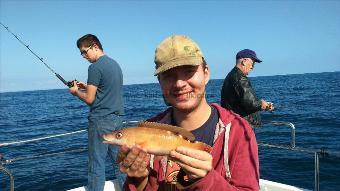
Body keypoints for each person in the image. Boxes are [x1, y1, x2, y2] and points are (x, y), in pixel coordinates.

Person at [114, 35, 259, 190]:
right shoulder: (148, 128)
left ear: (206, 73)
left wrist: (206, 180)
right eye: (168, 75)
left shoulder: (239, 132)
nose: (179, 83)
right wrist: (138, 178)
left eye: (189, 71)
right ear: (160, 82)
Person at [69, 34, 126, 191]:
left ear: (95, 46)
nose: (84, 56)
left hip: (100, 121)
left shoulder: (94, 67)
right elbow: (105, 89)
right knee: (120, 163)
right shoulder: (115, 65)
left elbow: (89, 99)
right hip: (118, 120)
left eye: (84, 52)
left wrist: (75, 92)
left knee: (96, 164)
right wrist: (86, 86)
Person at [220, 49, 274, 127]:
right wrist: (264, 104)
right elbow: (251, 104)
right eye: (252, 63)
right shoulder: (240, 78)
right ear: (244, 61)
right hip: (242, 126)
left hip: (233, 124)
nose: (252, 67)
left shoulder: (232, 75)